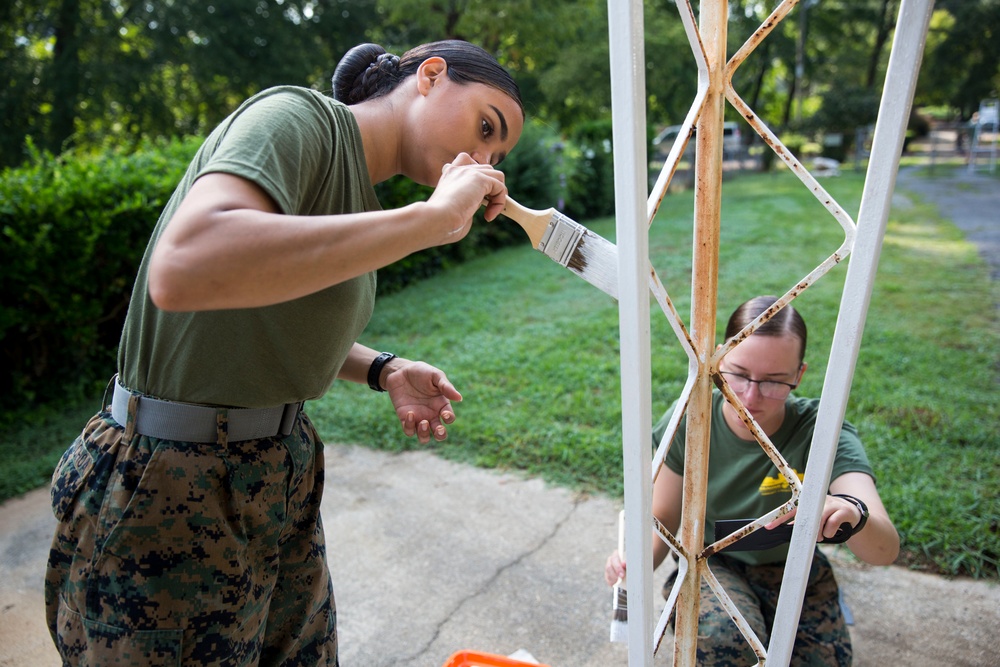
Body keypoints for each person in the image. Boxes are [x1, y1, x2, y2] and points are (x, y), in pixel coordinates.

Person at [45, 40, 524, 666]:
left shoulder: (364, 198)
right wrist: (429, 221)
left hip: (276, 475)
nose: (483, 158)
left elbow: (269, 311)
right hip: (166, 481)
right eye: (486, 127)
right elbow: (188, 265)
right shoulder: (298, 119)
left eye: (497, 153)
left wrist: (383, 369)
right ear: (430, 76)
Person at [604, 295, 899, 665]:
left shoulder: (820, 429)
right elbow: (663, 515)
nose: (750, 397)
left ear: (799, 375)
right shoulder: (690, 419)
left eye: (775, 382)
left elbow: (885, 550)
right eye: (738, 375)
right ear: (717, 358)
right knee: (725, 643)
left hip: (793, 564)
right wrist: (636, 561)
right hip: (713, 561)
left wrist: (853, 513)